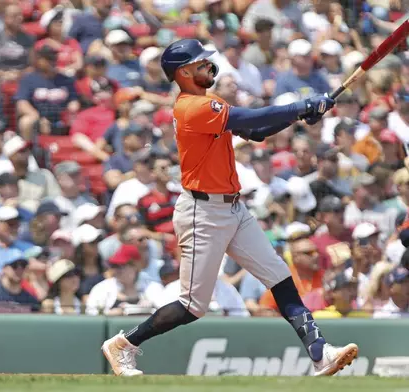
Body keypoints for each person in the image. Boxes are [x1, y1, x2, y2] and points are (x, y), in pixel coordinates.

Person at [101, 39, 358, 377]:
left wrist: (303, 114)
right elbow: (250, 116)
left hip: (232, 207)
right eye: (201, 62)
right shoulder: (190, 107)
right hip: (202, 212)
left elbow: (258, 129)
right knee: (192, 307)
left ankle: (320, 353)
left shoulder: (209, 102)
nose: (209, 64)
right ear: (184, 72)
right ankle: (124, 344)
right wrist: (302, 106)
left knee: (280, 276)